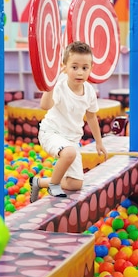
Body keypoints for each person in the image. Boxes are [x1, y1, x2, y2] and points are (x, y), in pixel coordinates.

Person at [29, 41, 107, 202]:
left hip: (71, 140)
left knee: (75, 184)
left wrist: (99, 142)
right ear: (64, 66)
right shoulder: (60, 85)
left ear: (91, 69)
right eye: (74, 67)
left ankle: (39, 182)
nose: (80, 72)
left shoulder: (90, 91)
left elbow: (92, 117)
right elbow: (45, 105)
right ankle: (54, 185)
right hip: (51, 132)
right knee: (69, 152)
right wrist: (51, 84)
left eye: (85, 68)